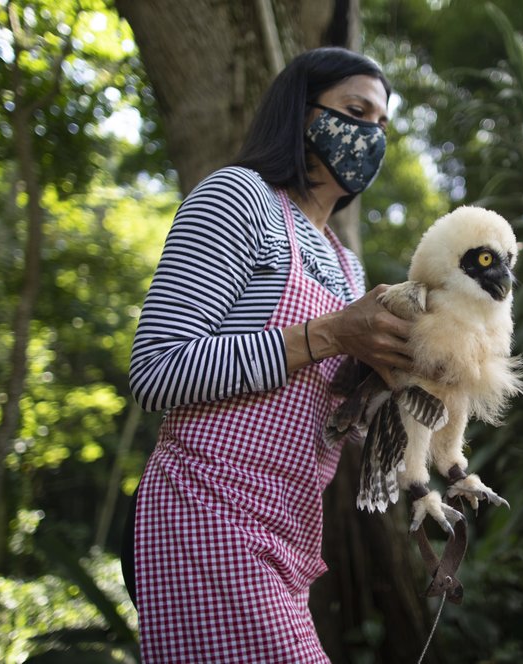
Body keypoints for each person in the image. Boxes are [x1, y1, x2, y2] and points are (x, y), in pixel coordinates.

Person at [121, 47, 411, 662]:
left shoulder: (343, 260)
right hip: (206, 510)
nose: (371, 136)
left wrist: (398, 384)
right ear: (300, 113)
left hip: (290, 529)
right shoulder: (238, 196)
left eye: (382, 125)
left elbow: (324, 421)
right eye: (355, 112)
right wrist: (331, 335)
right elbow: (154, 370)